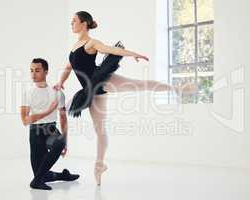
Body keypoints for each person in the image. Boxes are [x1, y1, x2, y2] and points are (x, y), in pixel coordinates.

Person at [54, 11, 198, 185]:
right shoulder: (74, 46)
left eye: (74, 21)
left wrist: (134, 54)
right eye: (71, 21)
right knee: (100, 130)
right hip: (91, 91)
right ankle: (99, 165)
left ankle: (177, 89)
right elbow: (69, 67)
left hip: (101, 81)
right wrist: (61, 82)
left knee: (139, 85)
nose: (72, 24)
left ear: (84, 23)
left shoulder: (91, 43)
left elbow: (112, 50)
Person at [20, 58, 80, 190]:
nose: (33, 74)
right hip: (35, 132)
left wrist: (65, 142)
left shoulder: (57, 93)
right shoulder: (27, 92)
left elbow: (63, 119)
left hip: (50, 130)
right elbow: (25, 120)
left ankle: (36, 182)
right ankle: (63, 175)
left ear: (46, 72)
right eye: (31, 71)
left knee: (59, 142)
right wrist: (48, 111)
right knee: (41, 174)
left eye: (37, 70)